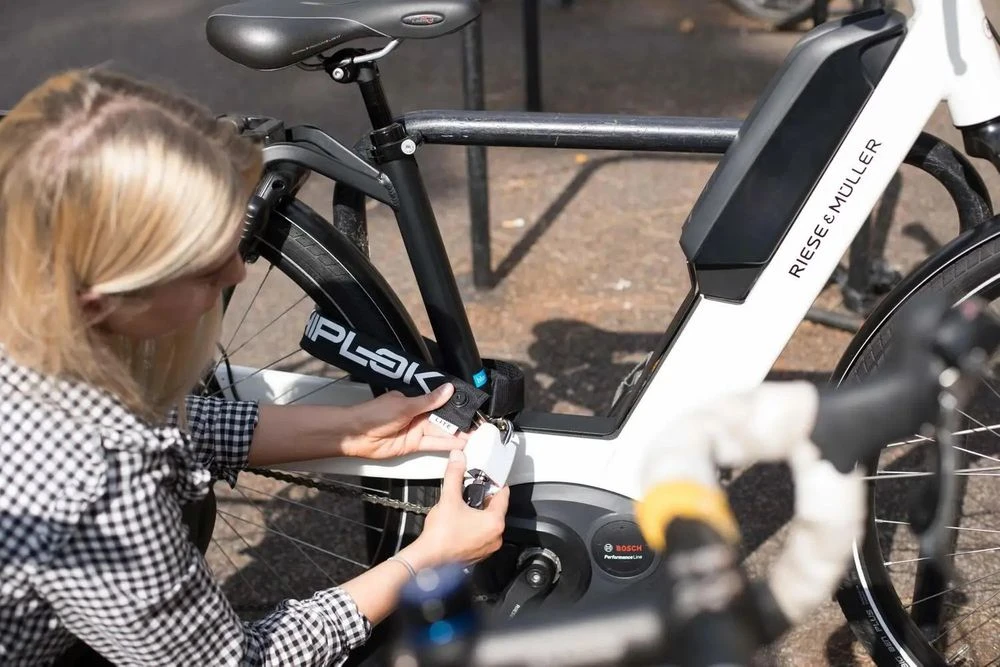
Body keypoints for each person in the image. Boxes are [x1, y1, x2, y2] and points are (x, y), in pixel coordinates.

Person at [0, 68, 509, 666]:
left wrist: (350, 430)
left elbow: (152, 425)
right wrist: (427, 560)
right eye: (204, 269)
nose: (238, 271)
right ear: (97, 302)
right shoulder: (94, 480)